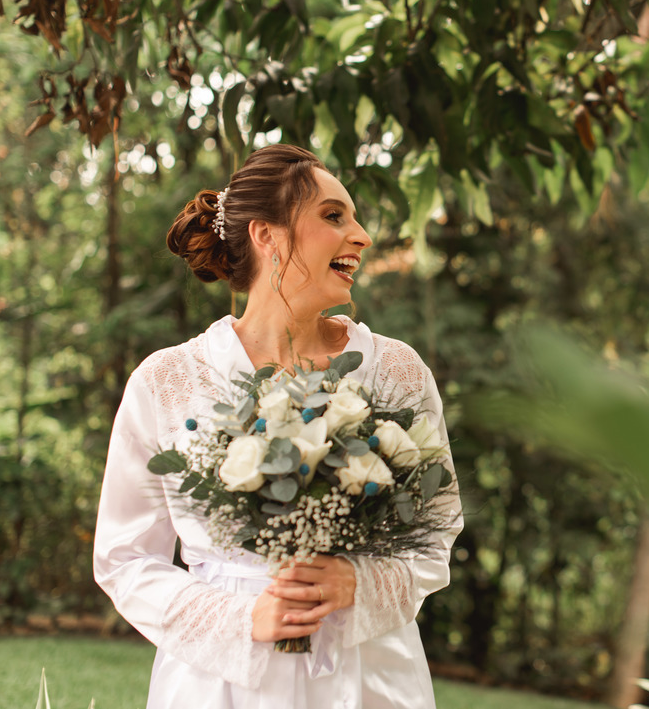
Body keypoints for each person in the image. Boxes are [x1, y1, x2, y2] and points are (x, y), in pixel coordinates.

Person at [93, 144, 461, 708]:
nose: (361, 235)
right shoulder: (167, 381)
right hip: (218, 683)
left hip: (369, 674)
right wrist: (243, 618)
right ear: (267, 236)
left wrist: (359, 586)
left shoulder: (397, 371)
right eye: (334, 216)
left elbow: (436, 532)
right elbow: (124, 558)